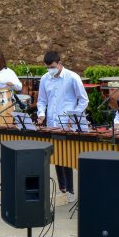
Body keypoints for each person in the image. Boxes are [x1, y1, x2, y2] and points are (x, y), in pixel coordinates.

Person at [37, 51, 89, 203]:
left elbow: (83, 100)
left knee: (67, 159)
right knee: (57, 157)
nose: (49, 70)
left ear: (59, 63)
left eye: (52, 67)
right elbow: (41, 100)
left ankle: (71, 190)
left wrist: (75, 116)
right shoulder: (45, 79)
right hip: (51, 124)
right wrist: (41, 113)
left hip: (68, 124)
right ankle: (63, 190)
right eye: (47, 67)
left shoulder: (72, 77)